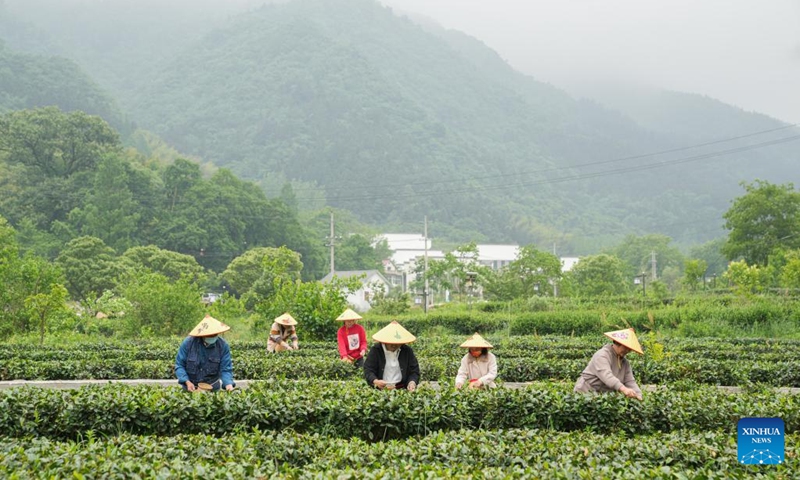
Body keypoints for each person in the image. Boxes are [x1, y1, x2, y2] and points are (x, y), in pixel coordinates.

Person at [574, 328, 643, 400]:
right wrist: (624, 389)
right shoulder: (602, 355)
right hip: (586, 391)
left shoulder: (625, 363)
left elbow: (630, 381)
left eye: (630, 349)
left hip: (602, 395)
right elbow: (607, 376)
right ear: (618, 343)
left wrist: (638, 395)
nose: (628, 351)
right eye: (626, 347)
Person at [175, 314, 235, 392]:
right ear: (203, 334)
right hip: (191, 387)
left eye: (215, 334)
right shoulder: (188, 343)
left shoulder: (223, 346)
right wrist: (187, 382)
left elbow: (226, 369)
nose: (213, 337)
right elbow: (180, 365)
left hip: (212, 388)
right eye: (210, 335)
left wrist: (228, 385)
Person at [364, 320, 420, 391]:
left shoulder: (407, 351)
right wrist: (375, 381)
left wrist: (412, 382)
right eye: (391, 343)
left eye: (397, 343)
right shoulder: (376, 350)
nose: (394, 345)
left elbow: (414, 371)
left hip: (402, 389)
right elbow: (368, 369)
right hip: (380, 389)